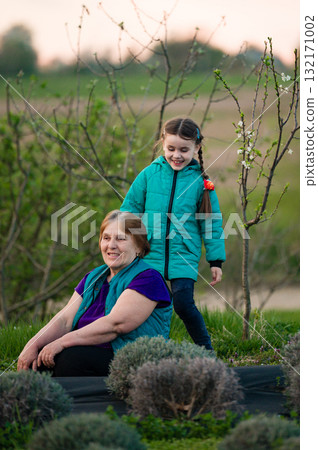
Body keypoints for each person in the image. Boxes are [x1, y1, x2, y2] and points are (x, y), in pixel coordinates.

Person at [17, 210, 172, 376]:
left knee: (70, 358)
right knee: (38, 360)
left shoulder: (148, 278)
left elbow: (115, 325)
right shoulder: (94, 277)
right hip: (85, 351)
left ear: (139, 246)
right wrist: (33, 344)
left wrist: (62, 343)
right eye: (106, 238)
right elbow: (64, 320)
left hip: (129, 358)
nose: (111, 245)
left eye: (120, 238)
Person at [120, 117, 225, 351]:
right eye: (171, 149)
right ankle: (154, 350)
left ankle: (205, 351)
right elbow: (129, 209)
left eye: (184, 150)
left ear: (197, 148)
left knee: (183, 305)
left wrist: (215, 260)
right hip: (150, 255)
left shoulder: (201, 183)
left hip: (184, 255)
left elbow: (211, 223)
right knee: (152, 306)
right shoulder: (149, 175)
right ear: (162, 144)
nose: (177, 155)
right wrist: (134, 240)